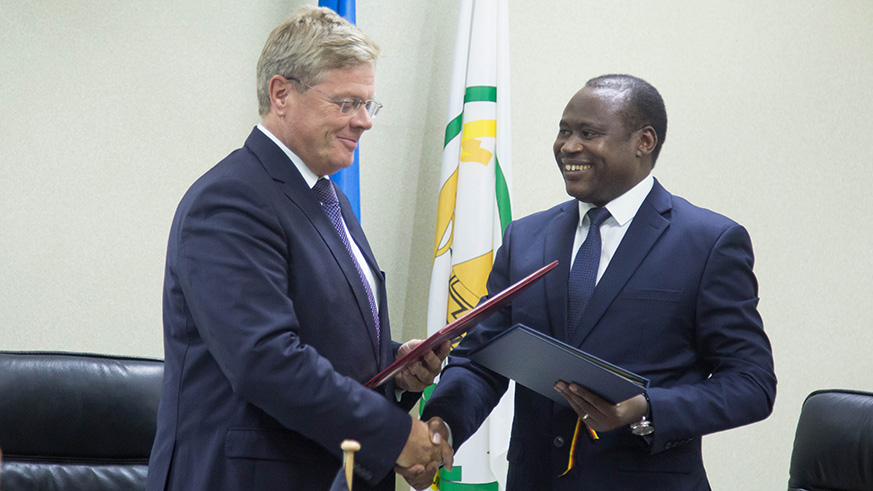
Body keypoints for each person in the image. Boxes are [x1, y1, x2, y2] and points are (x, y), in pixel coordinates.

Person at [418, 74, 777, 490]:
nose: (568, 146)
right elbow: (482, 359)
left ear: (644, 141)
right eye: (564, 131)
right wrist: (442, 425)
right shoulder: (527, 237)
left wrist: (645, 410)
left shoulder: (708, 243)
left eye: (588, 133)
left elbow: (751, 383)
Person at [146, 7, 451, 490]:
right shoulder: (230, 199)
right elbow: (265, 360)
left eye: (370, 104)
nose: (365, 122)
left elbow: (322, 334)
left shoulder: (325, 195)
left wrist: (396, 370)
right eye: (347, 102)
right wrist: (394, 435)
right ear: (281, 94)